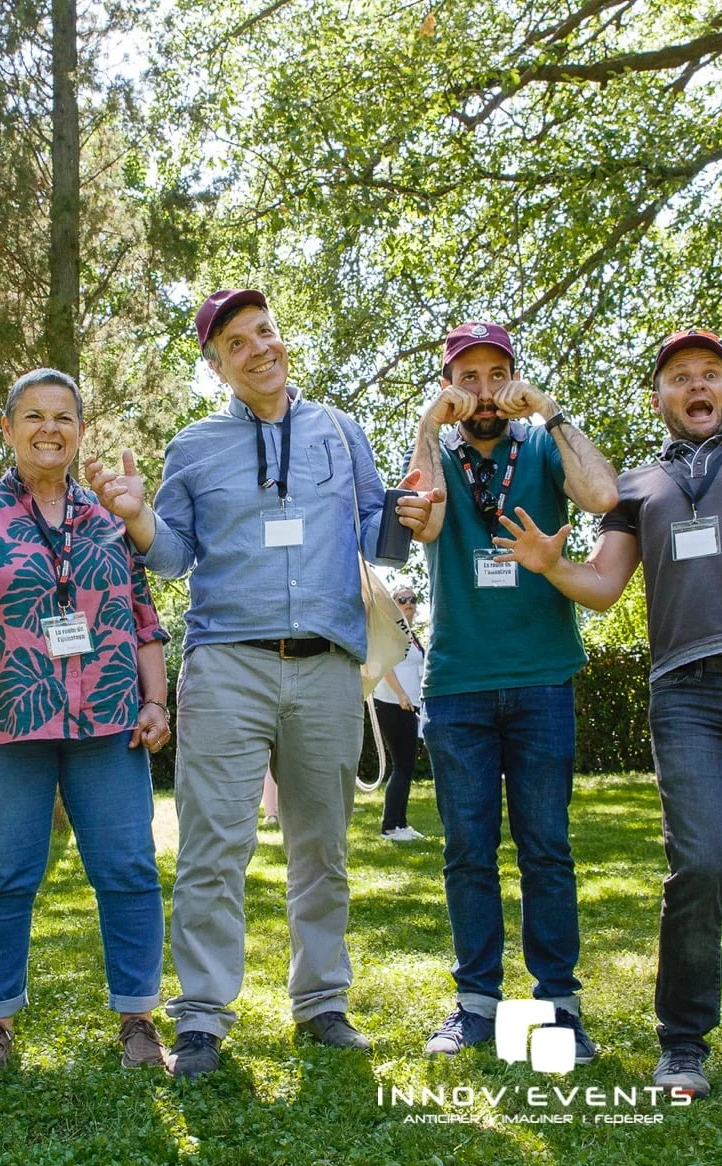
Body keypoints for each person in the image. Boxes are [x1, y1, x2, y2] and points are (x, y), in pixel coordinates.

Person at [86, 289, 439, 1078]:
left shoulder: (341, 432)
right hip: (227, 666)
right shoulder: (194, 447)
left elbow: (383, 540)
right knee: (214, 847)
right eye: (237, 343)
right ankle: (203, 1019)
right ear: (217, 367)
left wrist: (417, 515)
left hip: (326, 667)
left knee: (324, 848)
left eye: (265, 332)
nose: (259, 349)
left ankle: (322, 1005)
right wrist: (140, 517)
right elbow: (171, 556)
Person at [492, 327, 722, 1098]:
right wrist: (552, 565)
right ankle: (684, 1044)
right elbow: (604, 586)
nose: (698, 387)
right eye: (681, 378)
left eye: (711, 375)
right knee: (698, 865)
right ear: (659, 397)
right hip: (686, 692)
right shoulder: (638, 487)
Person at [0, 368, 171, 1074]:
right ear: (8, 428)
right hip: (3, 719)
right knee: (2, 872)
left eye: (64, 416)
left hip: (109, 717)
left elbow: (143, 617)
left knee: (127, 868)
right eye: (33, 416)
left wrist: (156, 701)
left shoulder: (110, 515)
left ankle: (139, 1021)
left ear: (81, 430)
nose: (49, 428)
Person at [406, 320, 618, 1061]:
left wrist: (553, 411)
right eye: (469, 377)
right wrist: (427, 426)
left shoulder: (541, 448)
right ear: (450, 385)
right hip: (459, 685)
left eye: (498, 374)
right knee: (468, 849)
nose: (485, 391)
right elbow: (426, 526)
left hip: (541, 679)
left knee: (546, 848)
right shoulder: (442, 451)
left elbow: (601, 495)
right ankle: (475, 1005)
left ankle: (559, 1008)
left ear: (516, 379)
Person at [372, 586, 425, 841]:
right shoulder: (391, 631)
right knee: (402, 766)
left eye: (412, 599)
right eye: (402, 599)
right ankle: (391, 826)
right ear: (392, 604)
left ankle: (400, 824)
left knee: (406, 766)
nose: (408, 603)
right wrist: (402, 695)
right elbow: (385, 666)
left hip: (409, 706)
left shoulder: (411, 635)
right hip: (393, 704)